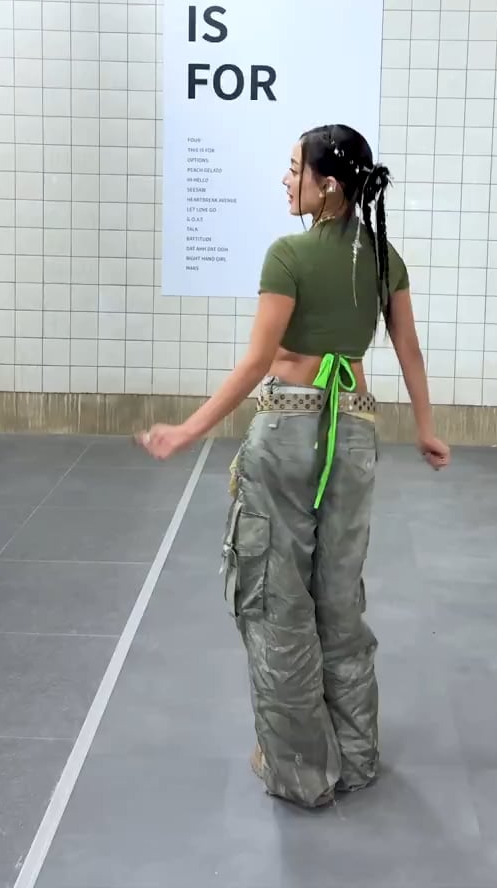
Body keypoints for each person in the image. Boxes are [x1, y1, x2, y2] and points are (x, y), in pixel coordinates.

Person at [139, 124, 449, 809]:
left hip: (288, 435)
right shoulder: (385, 258)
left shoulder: (288, 255)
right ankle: (357, 756)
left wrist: (189, 429)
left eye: (293, 169)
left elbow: (258, 361)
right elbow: (410, 350)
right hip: (356, 433)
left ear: (328, 186)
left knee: (277, 596)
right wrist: (427, 430)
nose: (285, 180)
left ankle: (302, 769)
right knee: (339, 596)